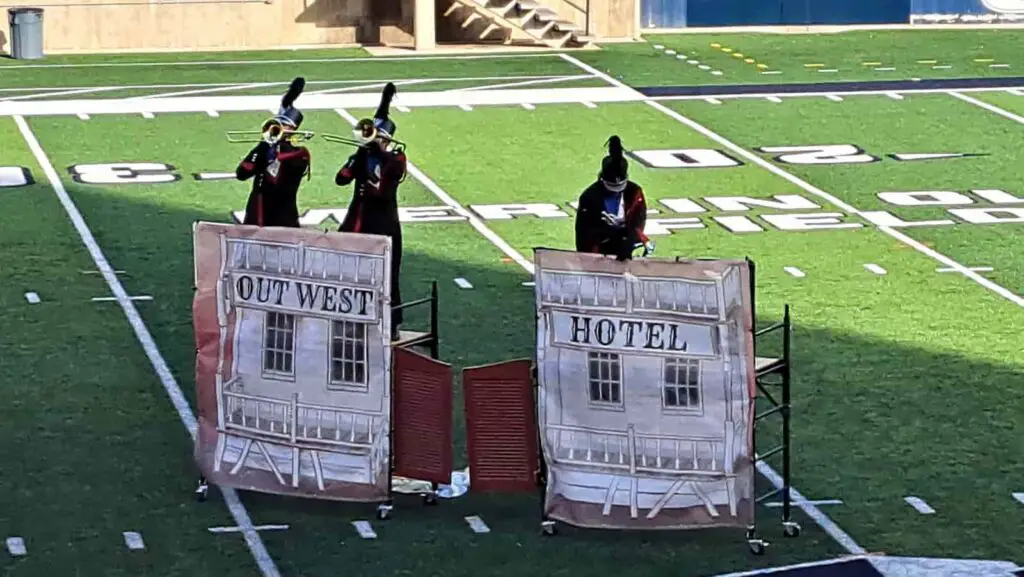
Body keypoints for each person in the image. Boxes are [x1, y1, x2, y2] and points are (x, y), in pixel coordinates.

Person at [336, 82, 407, 336]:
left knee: (388, 273)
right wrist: (357, 157)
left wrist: (376, 157)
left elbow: (382, 191)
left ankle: (393, 322)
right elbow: (341, 178)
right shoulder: (363, 155)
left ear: (386, 139)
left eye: (378, 136)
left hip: (383, 223)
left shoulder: (396, 159)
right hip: (357, 219)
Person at [236, 77, 311, 228]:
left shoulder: (299, 154)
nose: (280, 128)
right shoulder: (264, 148)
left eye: (286, 125)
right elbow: (242, 173)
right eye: (279, 124)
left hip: (282, 215)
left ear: (293, 129)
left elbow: (286, 182)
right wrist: (264, 146)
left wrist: (275, 150)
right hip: (257, 213)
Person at [574, 135, 654, 261]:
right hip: (599, 255)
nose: (616, 192)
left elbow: (638, 223)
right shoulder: (589, 197)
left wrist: (628, 236)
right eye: (611, 187)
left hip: (625, 251)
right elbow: (584, 237)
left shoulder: (635, 193)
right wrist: (609, 231)